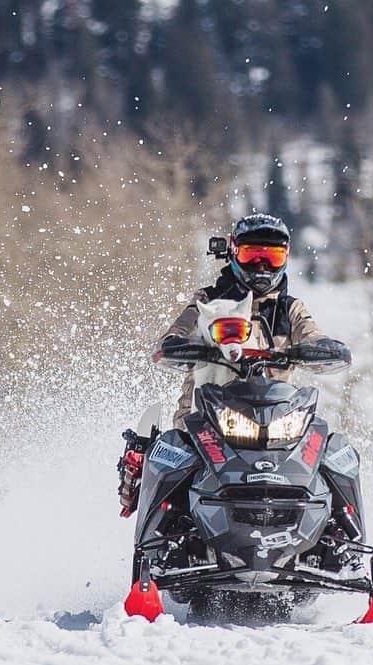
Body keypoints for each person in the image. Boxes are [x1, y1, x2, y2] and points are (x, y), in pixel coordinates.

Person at [118, 213, 337, 516]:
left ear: (285, 259)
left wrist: (320, 349)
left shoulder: (291, 309)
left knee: (335, 453)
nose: (261, 267)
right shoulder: (209, 300)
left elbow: (313, 335)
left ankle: (344, 539)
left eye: (271, 258)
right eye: (252, 256)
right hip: (205, 415)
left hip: (275, 420)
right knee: (172, 456)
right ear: (233, 253)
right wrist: (179, 344)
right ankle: (162, 536)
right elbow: (178, 331)